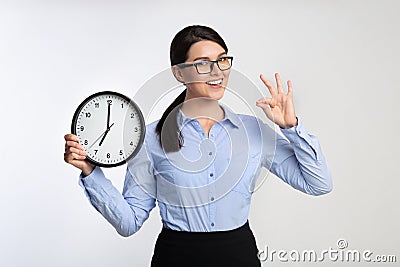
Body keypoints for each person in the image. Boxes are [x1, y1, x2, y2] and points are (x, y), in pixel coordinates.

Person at [64, 25, 332, 267]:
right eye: (202, 63)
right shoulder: (151, 138)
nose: (217, 72)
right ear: (179, 73)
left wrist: (291, 128)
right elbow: (129, 222)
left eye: (222, 60)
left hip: (240, 257)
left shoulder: (254, 132)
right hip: (176, 258)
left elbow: (318, 183)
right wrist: (91, 172)